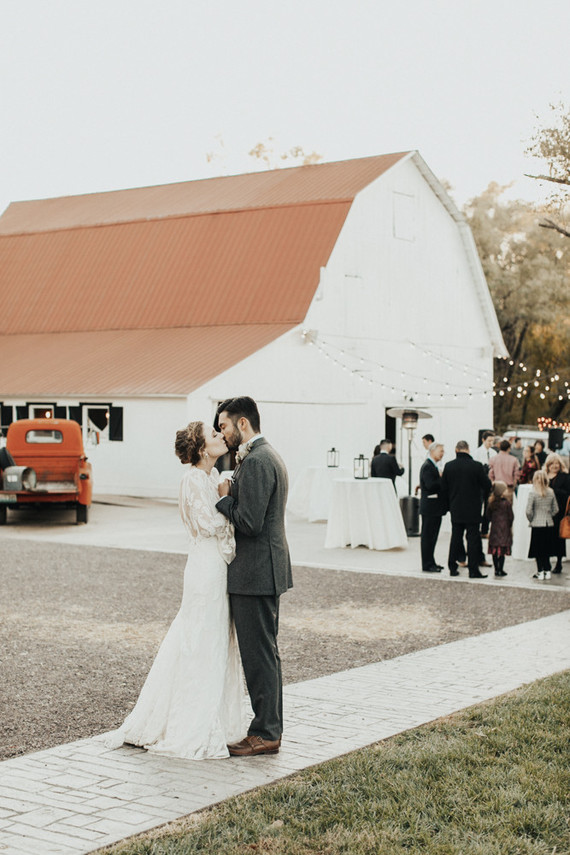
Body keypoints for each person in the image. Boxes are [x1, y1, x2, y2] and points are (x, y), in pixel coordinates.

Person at [105, 422, 250, 759]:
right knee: (199, 638)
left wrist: (224, 496)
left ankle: (216, 716)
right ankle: (189, 723)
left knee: (214, 638)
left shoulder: (213, 479)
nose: (220, 437)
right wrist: (228, 502)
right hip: (205, 569)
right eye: (213, 435)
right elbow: (208, 524)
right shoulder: (193, 480)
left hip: (218, 567)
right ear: (201, 448)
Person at [215, 396, 292, 756]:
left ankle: (266, 732)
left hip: (257, 572)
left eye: (225, 426)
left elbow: (250, 522)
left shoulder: (259, 461)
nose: (222, 433)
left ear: (243, 423)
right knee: (263, 653)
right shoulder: (261, 456)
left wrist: (226, 498)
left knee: (259, 655)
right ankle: (266, 728)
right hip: (259, 571)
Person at [441, 440, 492, 579]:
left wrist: (448, 505)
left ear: (456, 450)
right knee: (473, 539)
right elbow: (487, 485)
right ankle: (473, 570)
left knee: (456, 538)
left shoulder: (449, 466)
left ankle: (452, 567)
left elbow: (444, 488)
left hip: (456, 507)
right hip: (473, 508)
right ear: (468, 450)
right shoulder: (476, 466)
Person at [526, 470, 558, 580]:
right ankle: (547, 569)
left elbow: (528, 511)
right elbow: (556, 509)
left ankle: (540, 571)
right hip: (548, 523)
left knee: (537, 550)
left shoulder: (533, 493)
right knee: (547, 549)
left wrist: (531, 519)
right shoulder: (551, 492)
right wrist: (549, 515)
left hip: (536, 524)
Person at [419, 442, 445, 573]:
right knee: (428, 537)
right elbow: (430, 485)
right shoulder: (428, 467)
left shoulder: (432, 466)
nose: (442, 453)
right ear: (432, 451)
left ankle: (431, 561)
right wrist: (442, 478)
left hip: (434, 507)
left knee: (432, 537)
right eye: (440, 451)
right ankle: (427, 564)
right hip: (430, 507)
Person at [544, 452, 570, 574]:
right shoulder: (543, 476)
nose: (554, 466)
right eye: (552, 463)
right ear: (548, 465)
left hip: (559, 510)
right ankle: (546, 562)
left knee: (558, 538)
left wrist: (554, 490)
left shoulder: (565, 477)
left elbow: (567, 493)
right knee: (546, 537)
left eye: (557, 463)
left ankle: (559, 563)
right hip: (544, 511)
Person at [485, 481, 513, 577]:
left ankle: (496, 569)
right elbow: (511, 516)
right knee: (502, 551)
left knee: (494, 550)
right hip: (504, 530)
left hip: (494, 529)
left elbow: (487, 516)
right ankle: (500, 569)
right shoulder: (507, 503)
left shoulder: (491, 503)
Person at [473, 431, 496, 537]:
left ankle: (485, 530)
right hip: (479, 483)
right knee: (478, 505)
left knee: (488, 506)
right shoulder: (477, 452)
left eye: (492, 441)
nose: (491, 443)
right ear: (483, 440)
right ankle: (475, 528)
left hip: (489, 482)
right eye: (489, 441)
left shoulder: (494, 453)